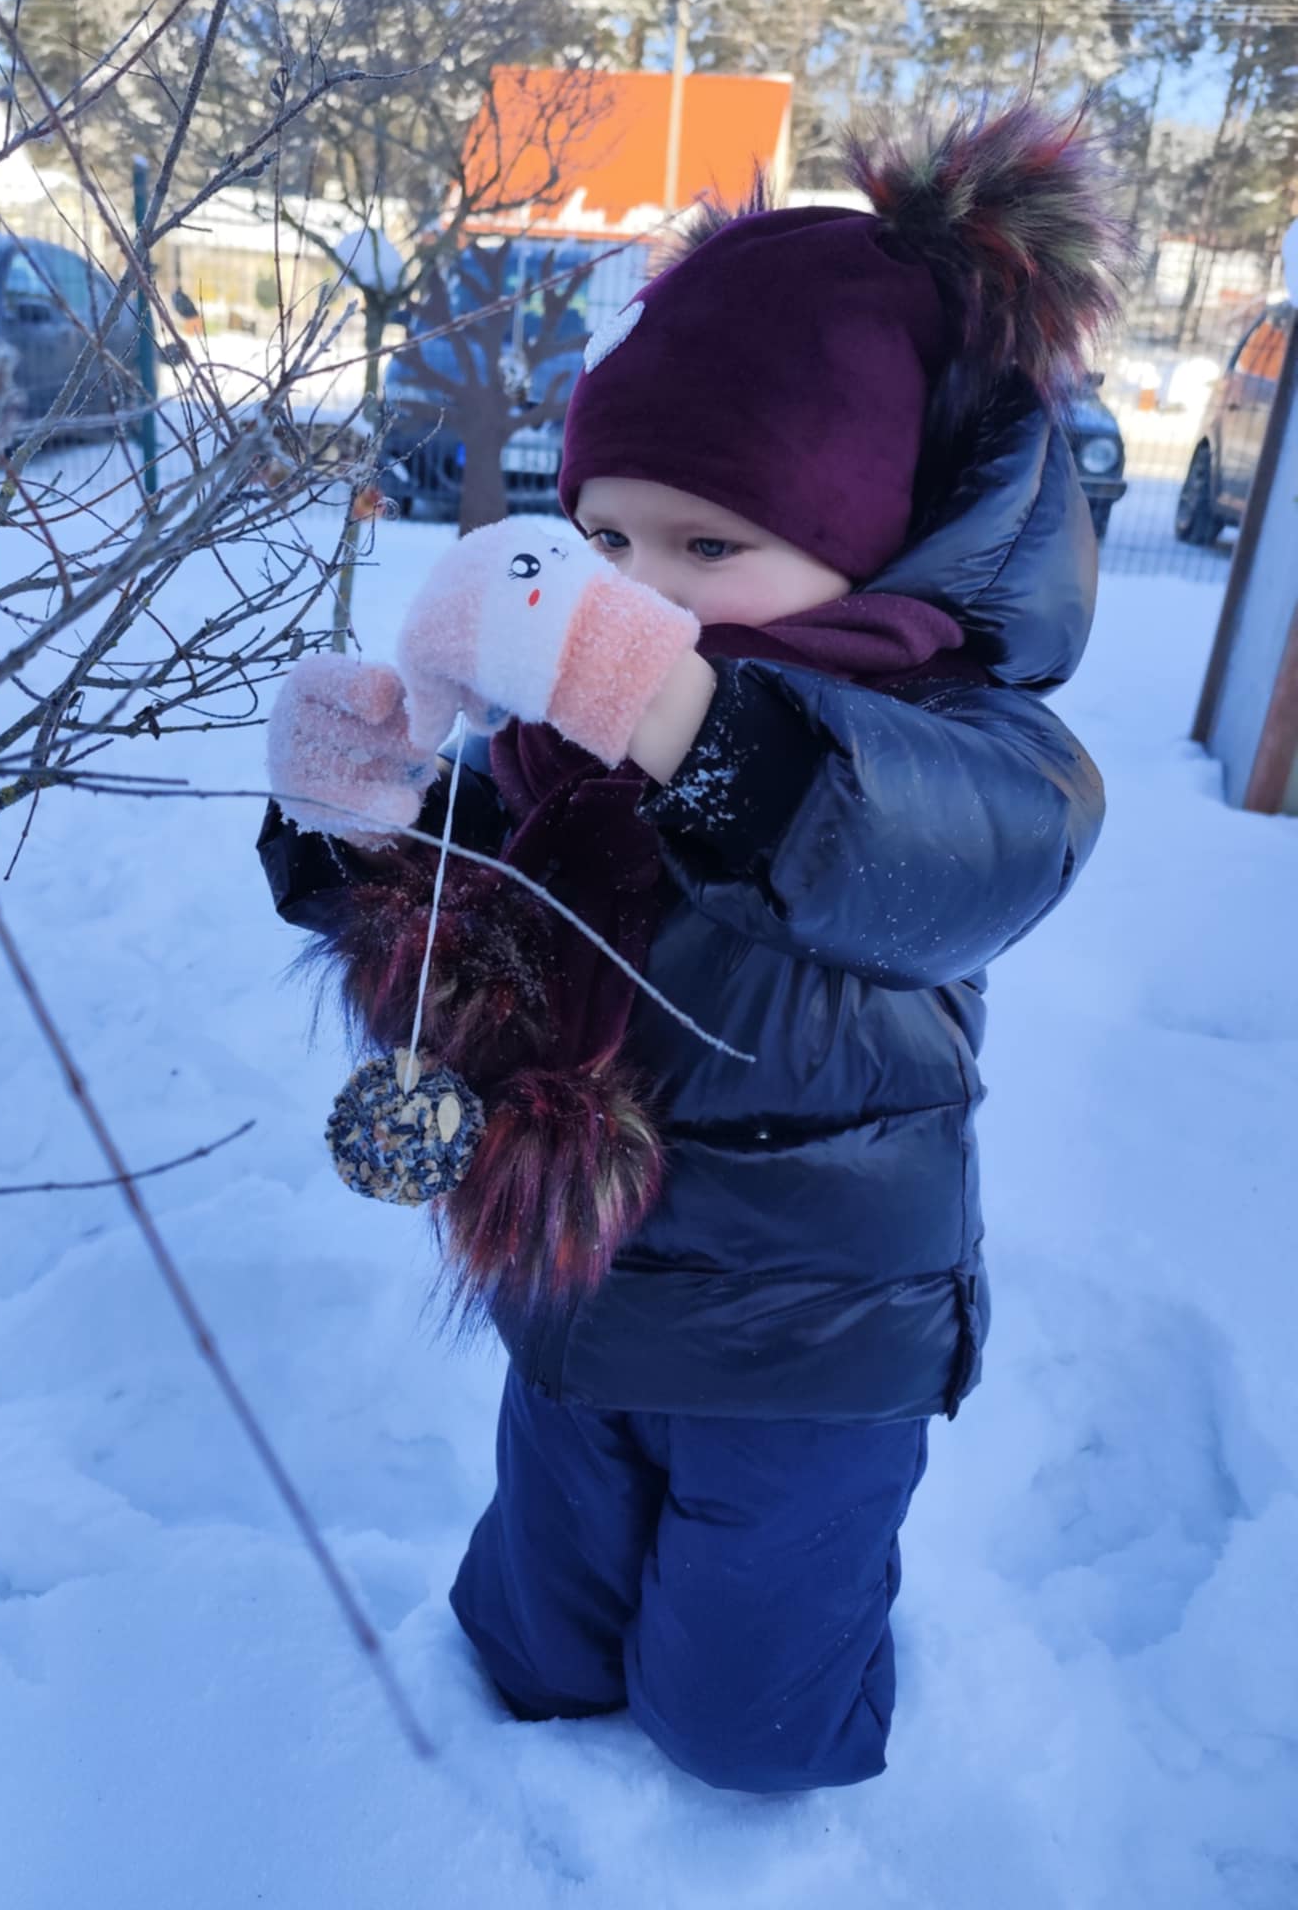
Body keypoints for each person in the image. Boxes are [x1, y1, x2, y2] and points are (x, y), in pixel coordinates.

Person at [256, 103, 1130, 1795]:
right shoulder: (566, 738)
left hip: (809, 1341)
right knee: (531, 1650)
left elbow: (890, 845)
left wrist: (654, 695)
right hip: (579, 1293)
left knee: (748, 1723)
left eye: (708, 547)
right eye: (607, 543)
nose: (642, 593)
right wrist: (364, 826)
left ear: (875, 543)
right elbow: (480, 950)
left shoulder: (976, 748)